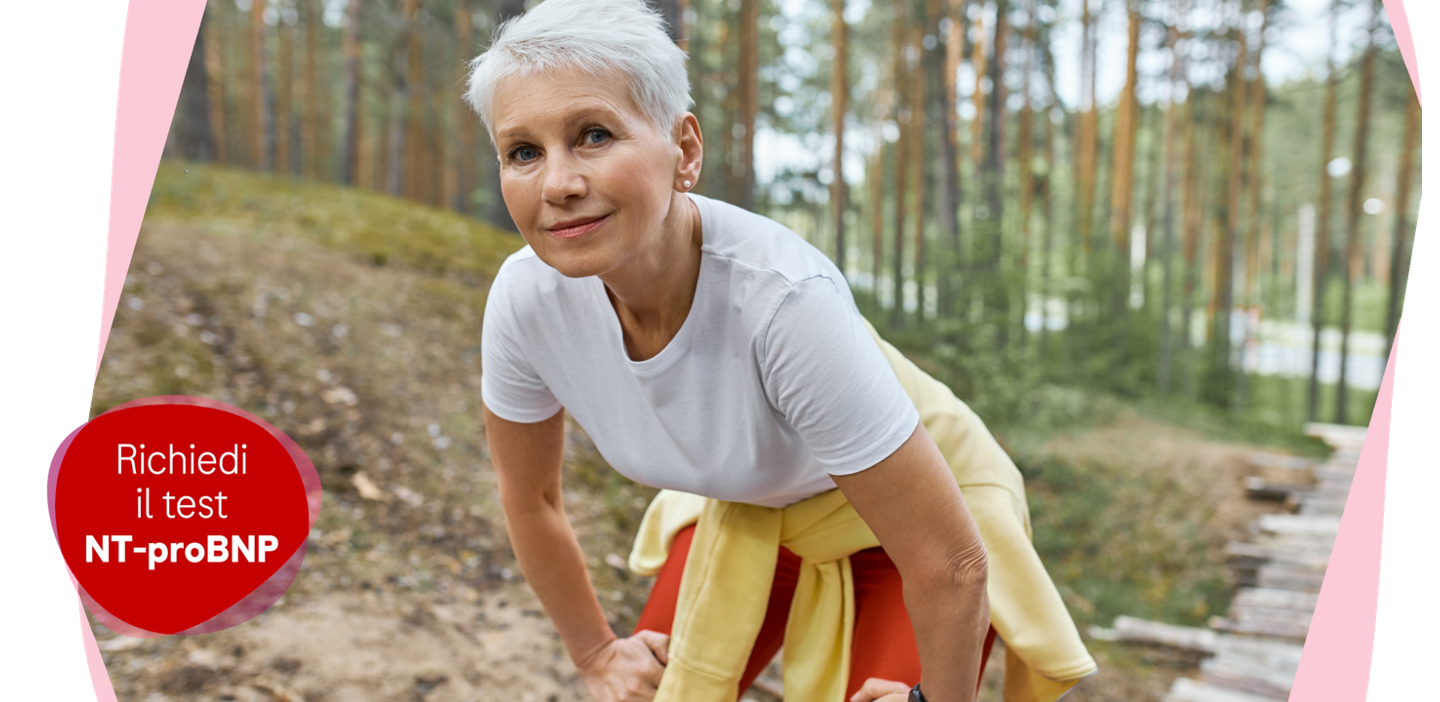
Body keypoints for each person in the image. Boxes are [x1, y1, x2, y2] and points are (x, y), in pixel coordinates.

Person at [466, 2, 1095, 701]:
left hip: (915, 531)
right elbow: (532, 500)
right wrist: (595, 653)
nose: (558, 183)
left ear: (685, 150)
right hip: (755, 507)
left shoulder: (782, 302)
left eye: (593, 135)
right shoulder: (526, 301)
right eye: (524, 151)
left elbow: (949, 563)